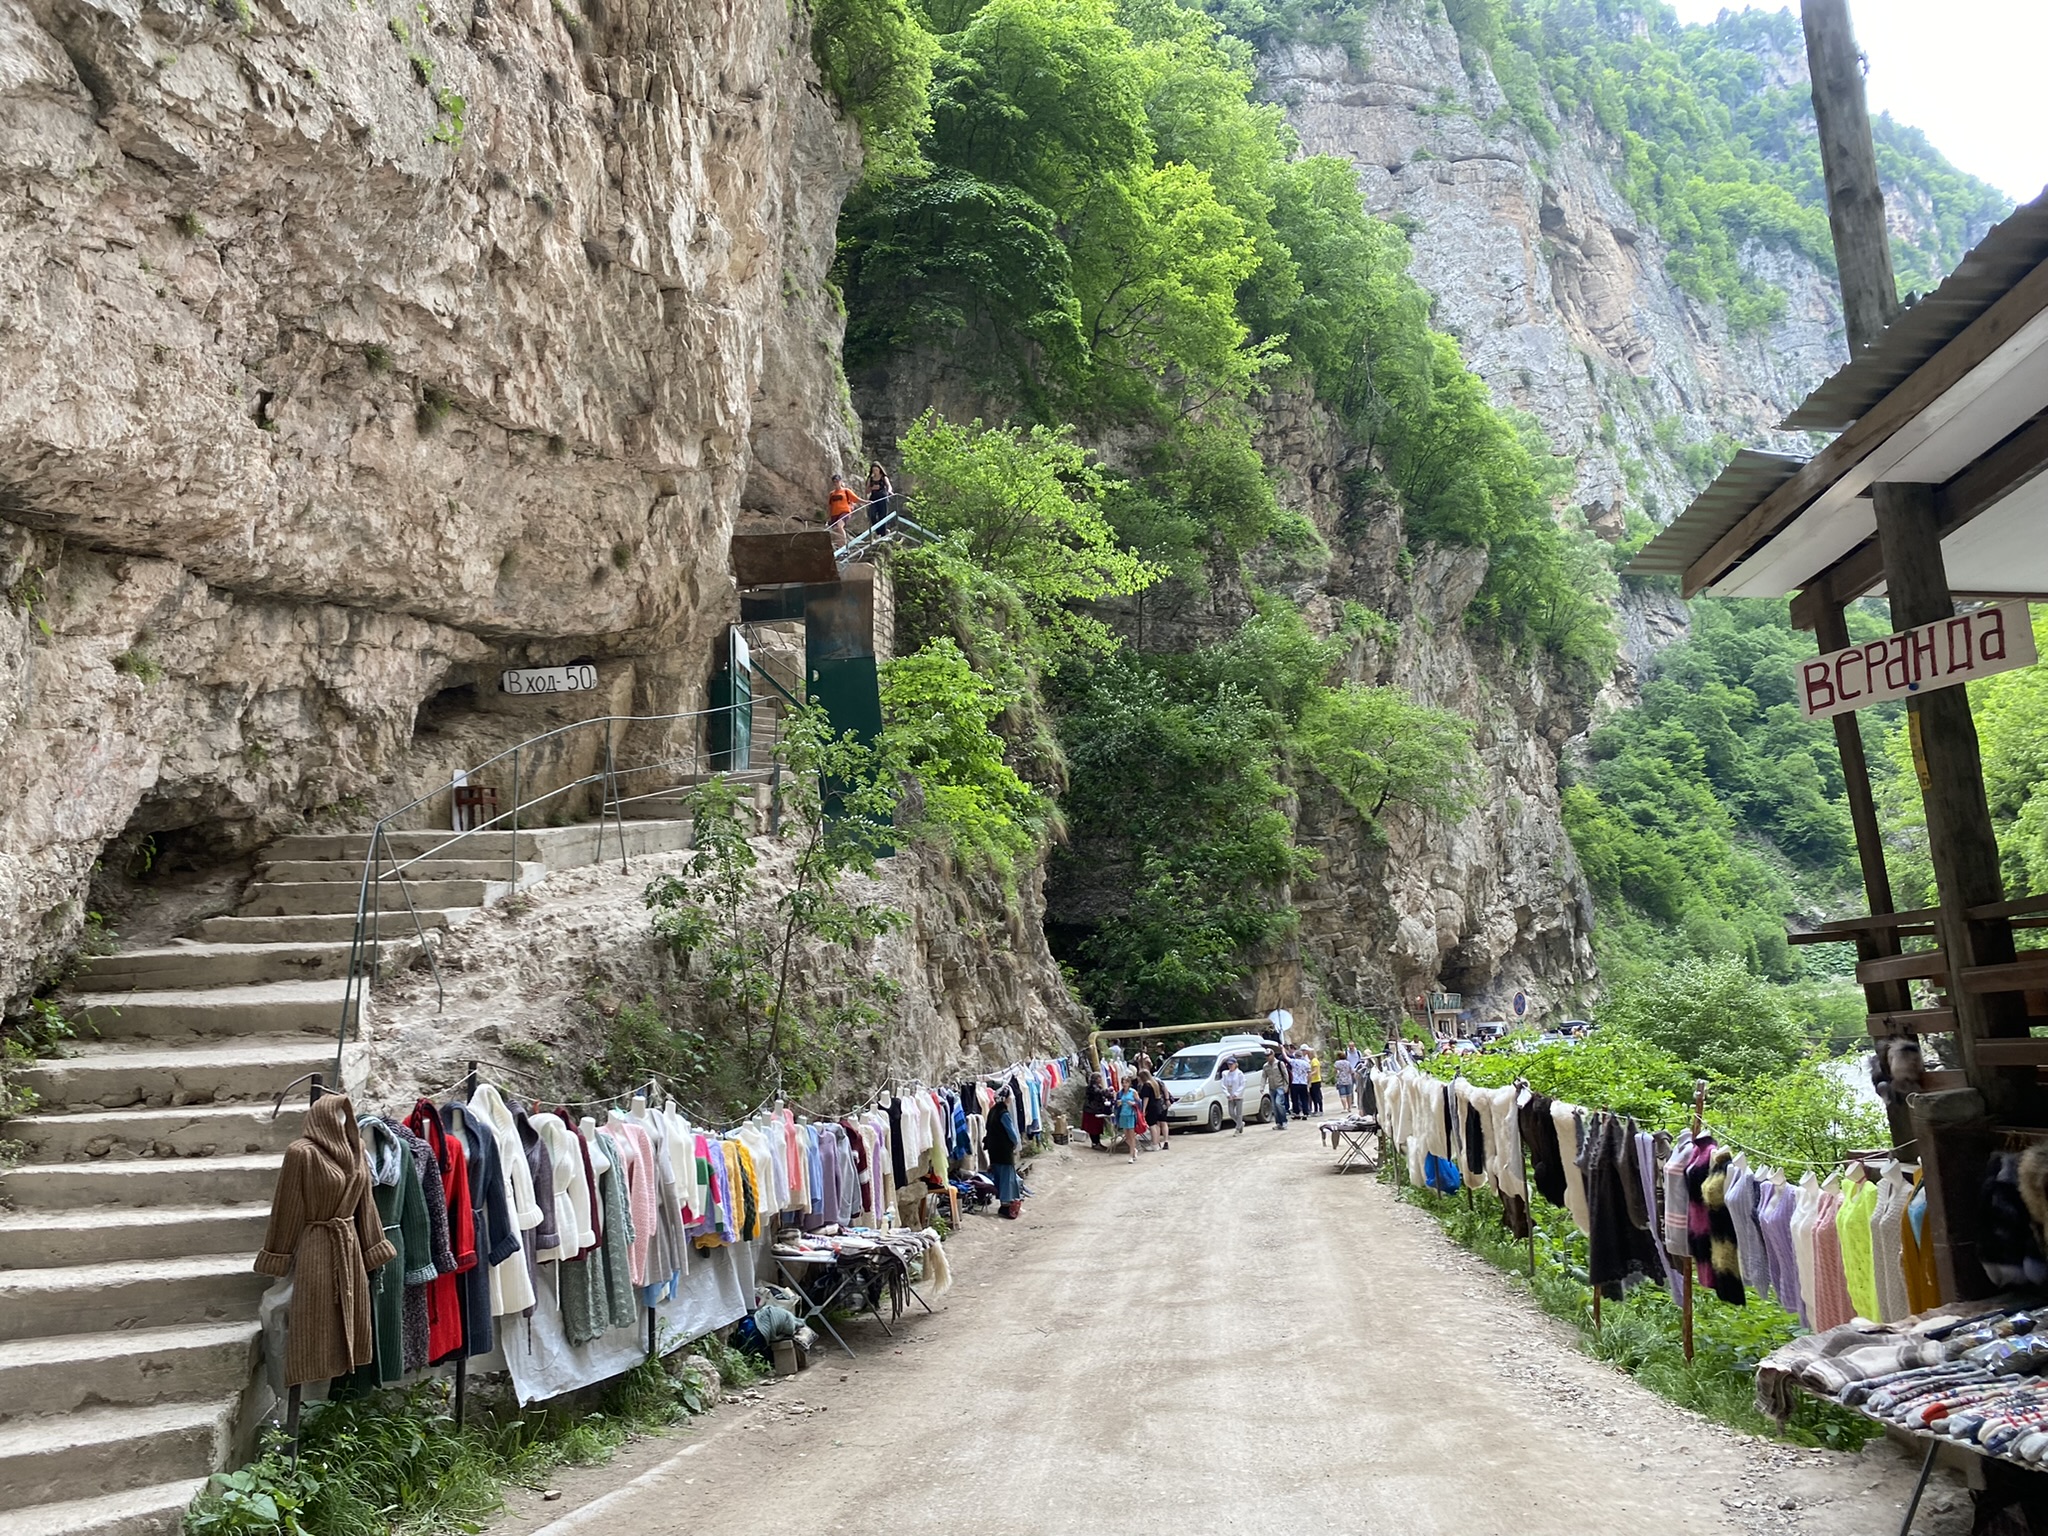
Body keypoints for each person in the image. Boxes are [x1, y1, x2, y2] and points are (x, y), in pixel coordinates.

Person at [987, 1090, 1023, 1218]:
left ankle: (1004, 1203)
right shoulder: (1004, 1114)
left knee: (999, 1176)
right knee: (1007, 1178)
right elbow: (1011, 1133)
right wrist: (1015, 1143)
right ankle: (1006, 1206)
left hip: (993, 1150)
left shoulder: (992, 1111)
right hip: (1004, 1150)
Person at [1139, 1071, 1172, 1151]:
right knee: (1157, 1124)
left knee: (1152, 1125)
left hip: (1151, 1107)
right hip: (1157, 1106)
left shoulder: (1146, 1085)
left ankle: (1154, 1144)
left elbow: (1146, 1098)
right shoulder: (1155, 1083)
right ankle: (1157, 1143)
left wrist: (1143, 1109)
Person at [826, 474, 859, 549]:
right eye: (834, 482)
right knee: (836, 531)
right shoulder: (832, 494)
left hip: (844, 511)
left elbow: (856, 499)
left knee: (839, 526)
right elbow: (830, 506)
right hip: (834, 514)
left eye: (837, 481)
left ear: (840, 481)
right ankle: (840, 547)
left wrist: (866, 502)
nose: (836, 483)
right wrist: (829, 517)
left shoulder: (846, 491)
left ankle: (844, 546)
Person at [1114, 1080, 1141, 1163]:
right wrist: (1118, 1103)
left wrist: (1133, 1103)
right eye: (1123, 1082)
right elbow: (1116, 1104)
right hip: (1122, 1115)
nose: (1124, 1084)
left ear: (1129, 1083)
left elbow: (1139, 1102)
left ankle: (1131, 1156)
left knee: (1132, 1136)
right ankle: (1134, 1149)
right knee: (1126, 1137)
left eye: (1126, 1082)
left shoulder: (1133, 1092)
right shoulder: (1120, 1093)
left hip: (1131, 1115)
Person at [1219, 1056, 1247, 1135]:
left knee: (1239, 1113)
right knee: (1231, 1112)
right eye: (1229, 1064)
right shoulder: (1225, 1074)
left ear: (1235, 1064)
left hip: (1238, 1096)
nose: (1230, 1066)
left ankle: (1238, 1129)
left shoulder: (1239, 1073)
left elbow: (1243, 1084)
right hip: (1230, 1097)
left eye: (1231, 1064)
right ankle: (1240, 1123)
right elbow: (1223, 1085)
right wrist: (1227, 1094)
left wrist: (1236, 1094)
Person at [1262, 1052, 1290, 1130]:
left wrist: (1286, 1086)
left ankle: (1284, 1121)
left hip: (1280, 1086)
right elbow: (1264, 1077)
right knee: (1274, 1106)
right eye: (1266, 1056)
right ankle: (1278, 1123)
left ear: (1273, 1055)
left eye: (1269, 1055)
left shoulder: (1279, 1064)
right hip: (1272, 1088)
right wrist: (1262, 1087)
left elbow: (1285, 1075)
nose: (1268, 1057)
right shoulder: (1265, 1066)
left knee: (1279, 1103)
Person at [1288, 1047, 1311, 1120]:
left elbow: (1286, 1057)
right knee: (1304, 1098)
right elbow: (1309, 1073)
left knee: (1295, 1099)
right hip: (1303, 1083)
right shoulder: (1306, 1063)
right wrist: (1308, 1082)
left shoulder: (1293, 1062)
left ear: (1296, 1056)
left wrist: (1282, 1049)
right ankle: (1305, 1113)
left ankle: (1297, 1113)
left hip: (1295, 1083)